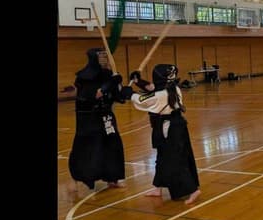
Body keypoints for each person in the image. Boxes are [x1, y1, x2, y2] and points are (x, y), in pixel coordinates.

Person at [129, 64, 201, 204]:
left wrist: (127, 93)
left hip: (170, 129)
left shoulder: (160, 95)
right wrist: (139, 81)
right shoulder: (174, 88)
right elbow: (152, 88)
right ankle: (158, 187)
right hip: (176, 126)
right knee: (162, 157)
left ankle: (193, 190)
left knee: (174, 159)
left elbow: (141, 100)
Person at [66, 48, 128, 192]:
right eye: (101, 56)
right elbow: (95, 95)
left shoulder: (108, 74)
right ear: (94, 58)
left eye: (106, 56)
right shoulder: (84, 77)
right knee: (87, 148)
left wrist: (119, 87)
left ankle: (113, 177)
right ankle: (79, 177)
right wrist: (111, 83)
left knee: (112, 144)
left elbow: (117, 97)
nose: (105, 59)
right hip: (88, 119)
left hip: (106, 116)